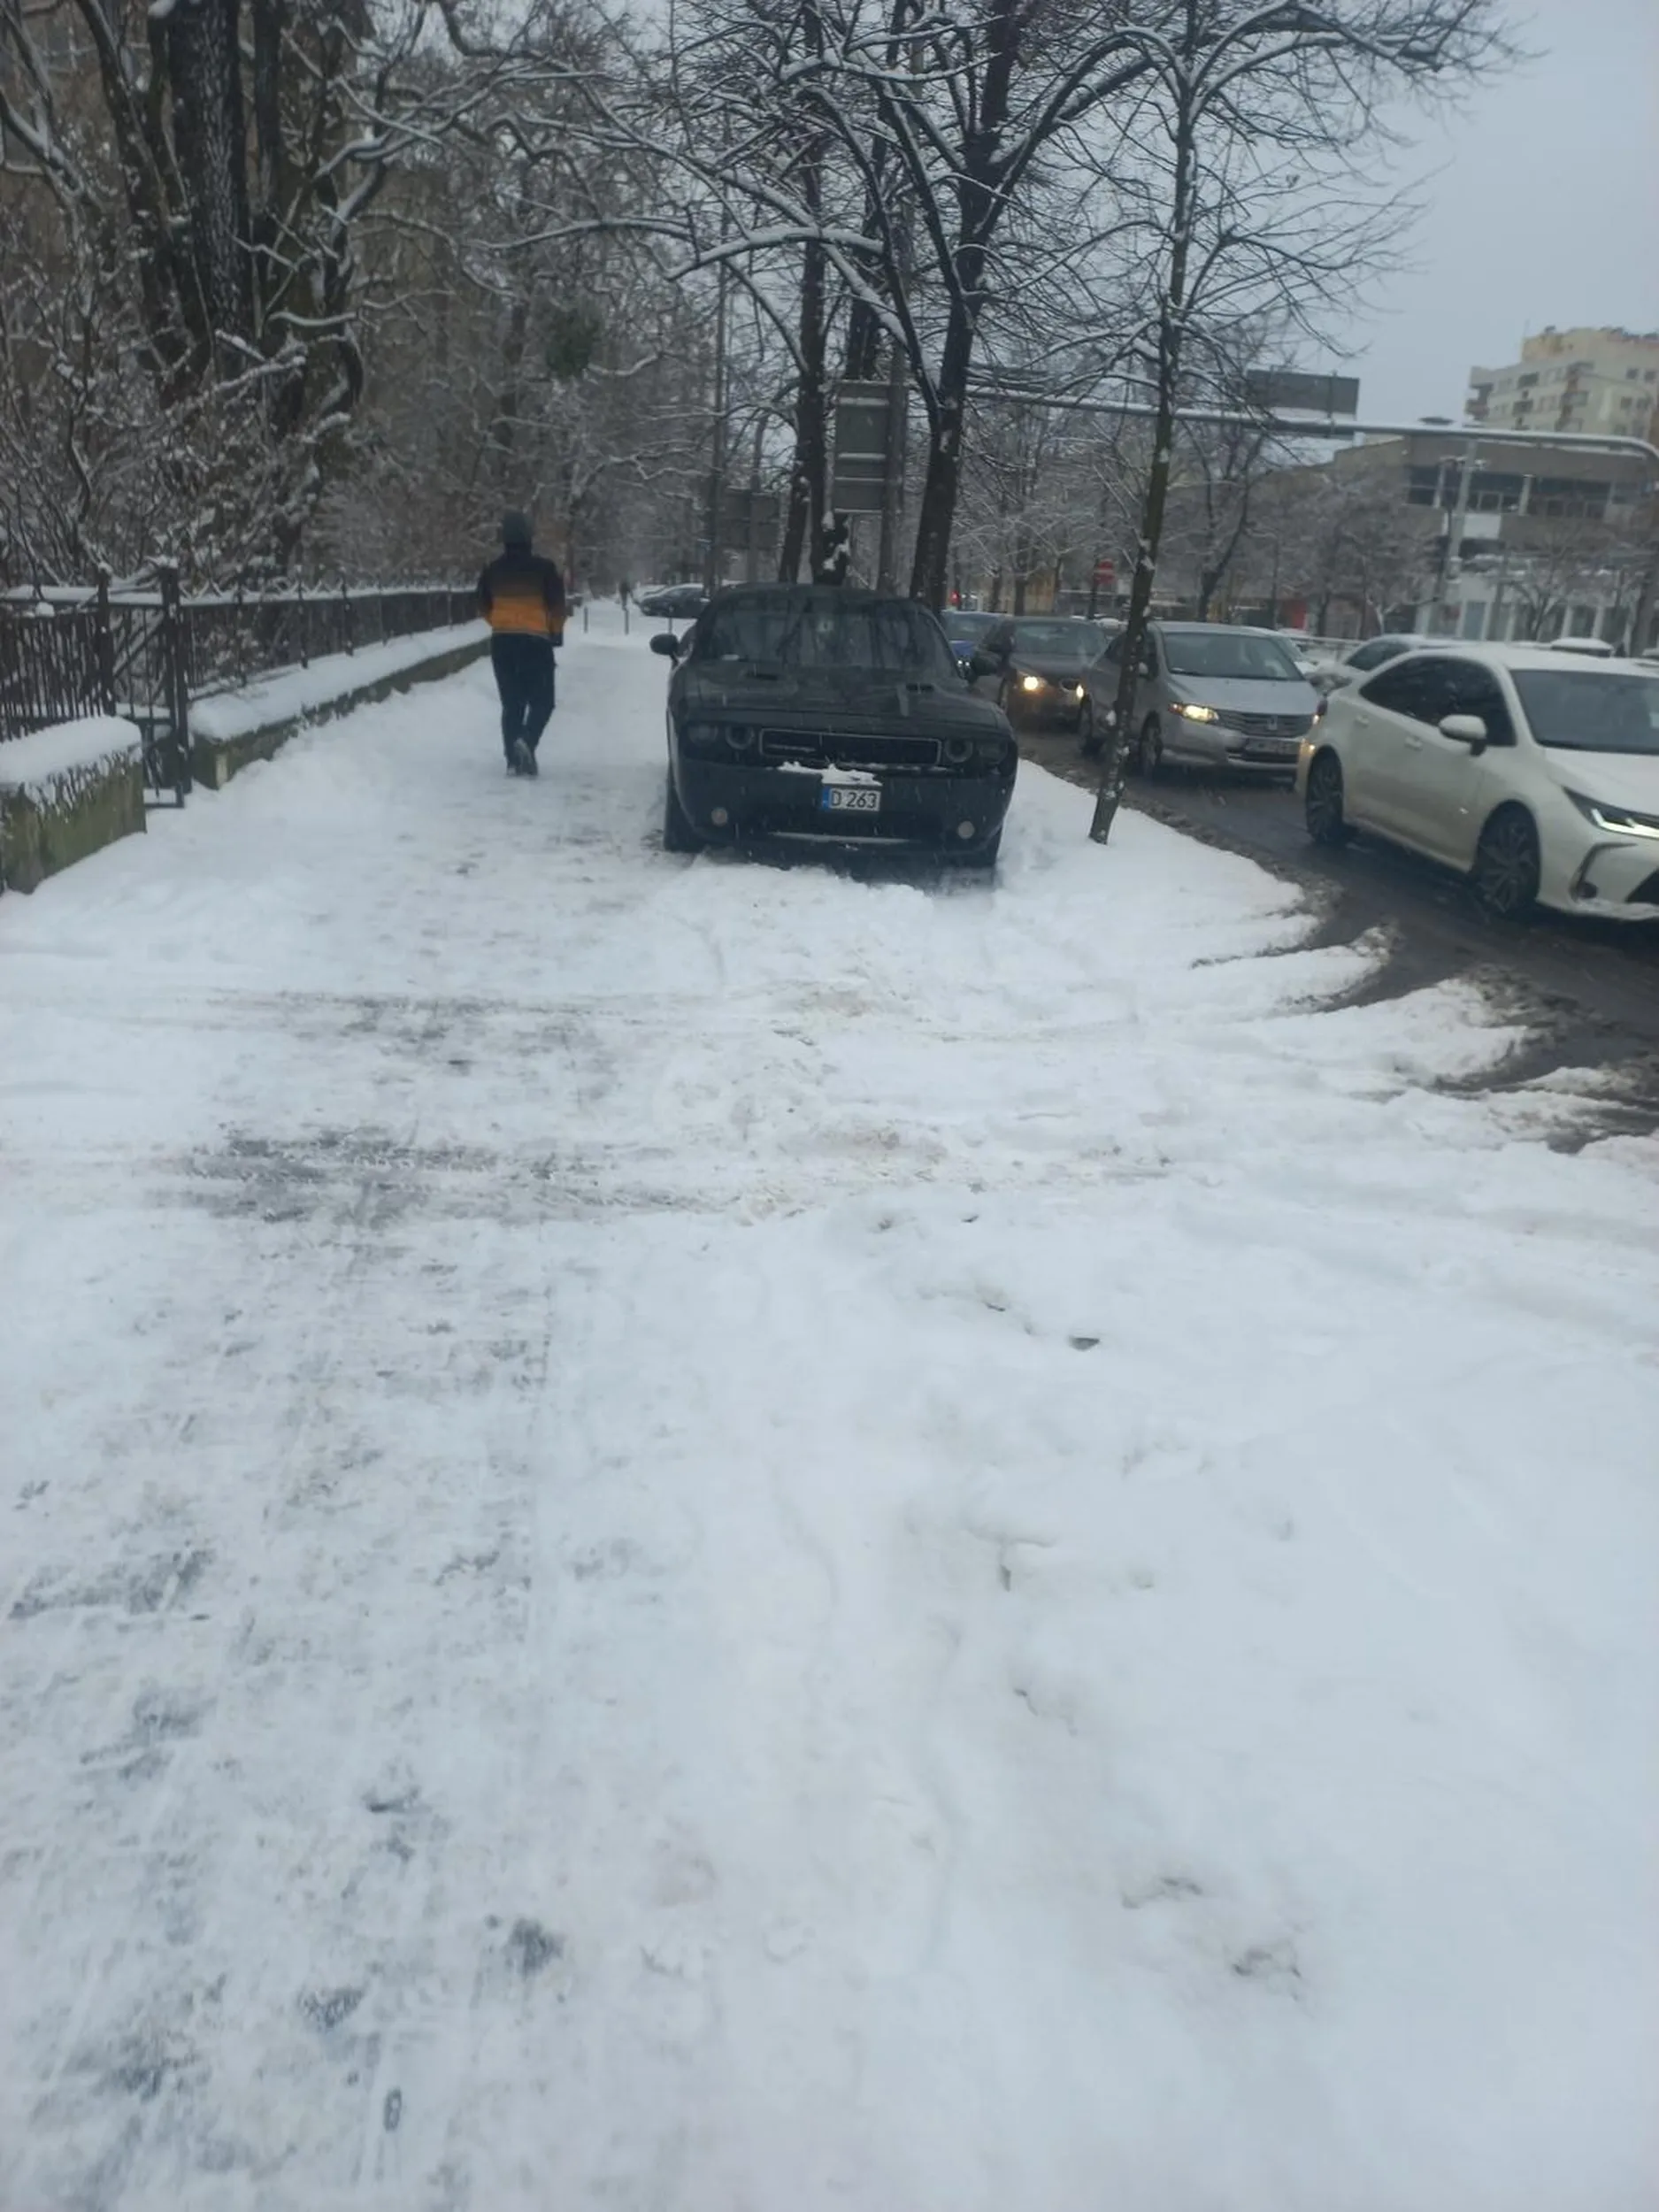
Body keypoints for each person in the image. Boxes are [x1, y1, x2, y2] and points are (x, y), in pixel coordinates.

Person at [478, 511, 565, 776]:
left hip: (503, 642)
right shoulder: (544, 569)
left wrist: (499, 623)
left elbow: (482, 604)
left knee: (512, 703)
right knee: (543, 701)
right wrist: (554, 631)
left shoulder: (492, 570)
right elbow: (558, 607)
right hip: (535, 642)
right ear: (529, 537)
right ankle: (526, 741)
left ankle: (513, 762)